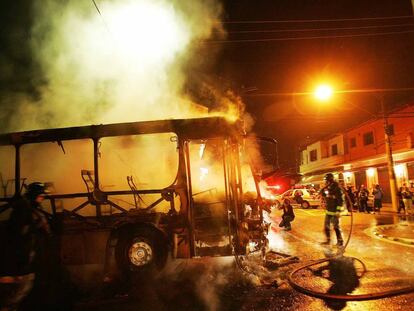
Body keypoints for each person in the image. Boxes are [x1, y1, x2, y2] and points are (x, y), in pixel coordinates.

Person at [0, 182, 51, 310]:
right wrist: (36, 225)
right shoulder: (23, 210)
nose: (42, 199)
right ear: (35, 195)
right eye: (41, 196)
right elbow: (17, 232)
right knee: (14, 295)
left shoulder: (29, 209)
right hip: (18, 263)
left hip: (26, 262)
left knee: (20, 292)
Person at [320, 173, 344, 246]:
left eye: (326, 180)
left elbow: (341, 201)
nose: (325, 182)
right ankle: (328, 240)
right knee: (326, 227)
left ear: (329, 180)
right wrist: (324, 188)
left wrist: (338, 211)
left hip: (335, 211)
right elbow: (323, 194)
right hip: (329, 210)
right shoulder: (328, 187)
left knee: (336, 227)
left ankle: (340, 241)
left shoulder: (337, 188)